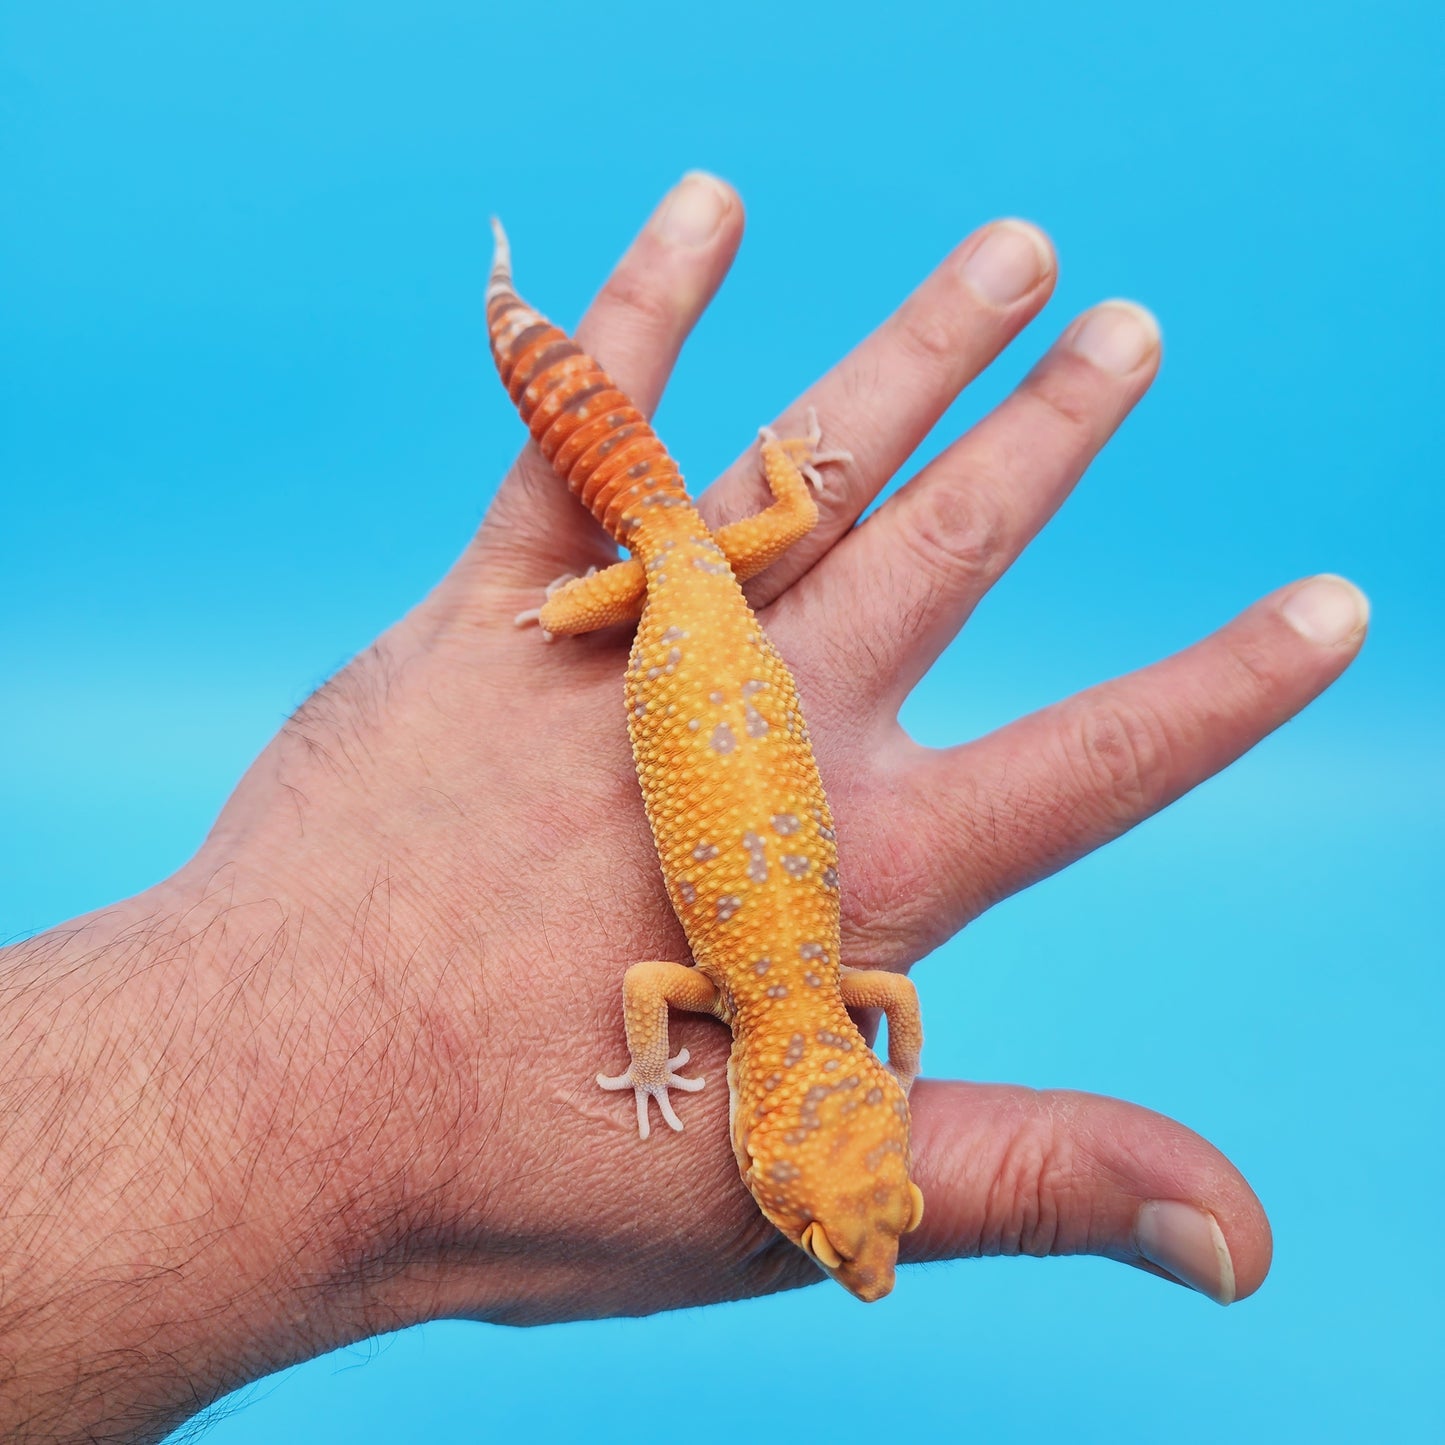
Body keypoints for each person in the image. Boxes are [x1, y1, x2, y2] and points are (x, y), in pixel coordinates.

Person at [0, 173, 1367, 1442]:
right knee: (628, 564)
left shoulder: (819, 989)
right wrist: (681, 1059)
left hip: (692, 577)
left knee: (658, 552)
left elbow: (875, 1003)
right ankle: (514, 316)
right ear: (766, 1148)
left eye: (856, 1227)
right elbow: (675, 988)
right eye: (858, 1235)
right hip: (668, 583)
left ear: (796, 1149)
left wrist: (870, 1062)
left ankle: (592, 372)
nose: (868, 1266)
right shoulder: (744, 987)